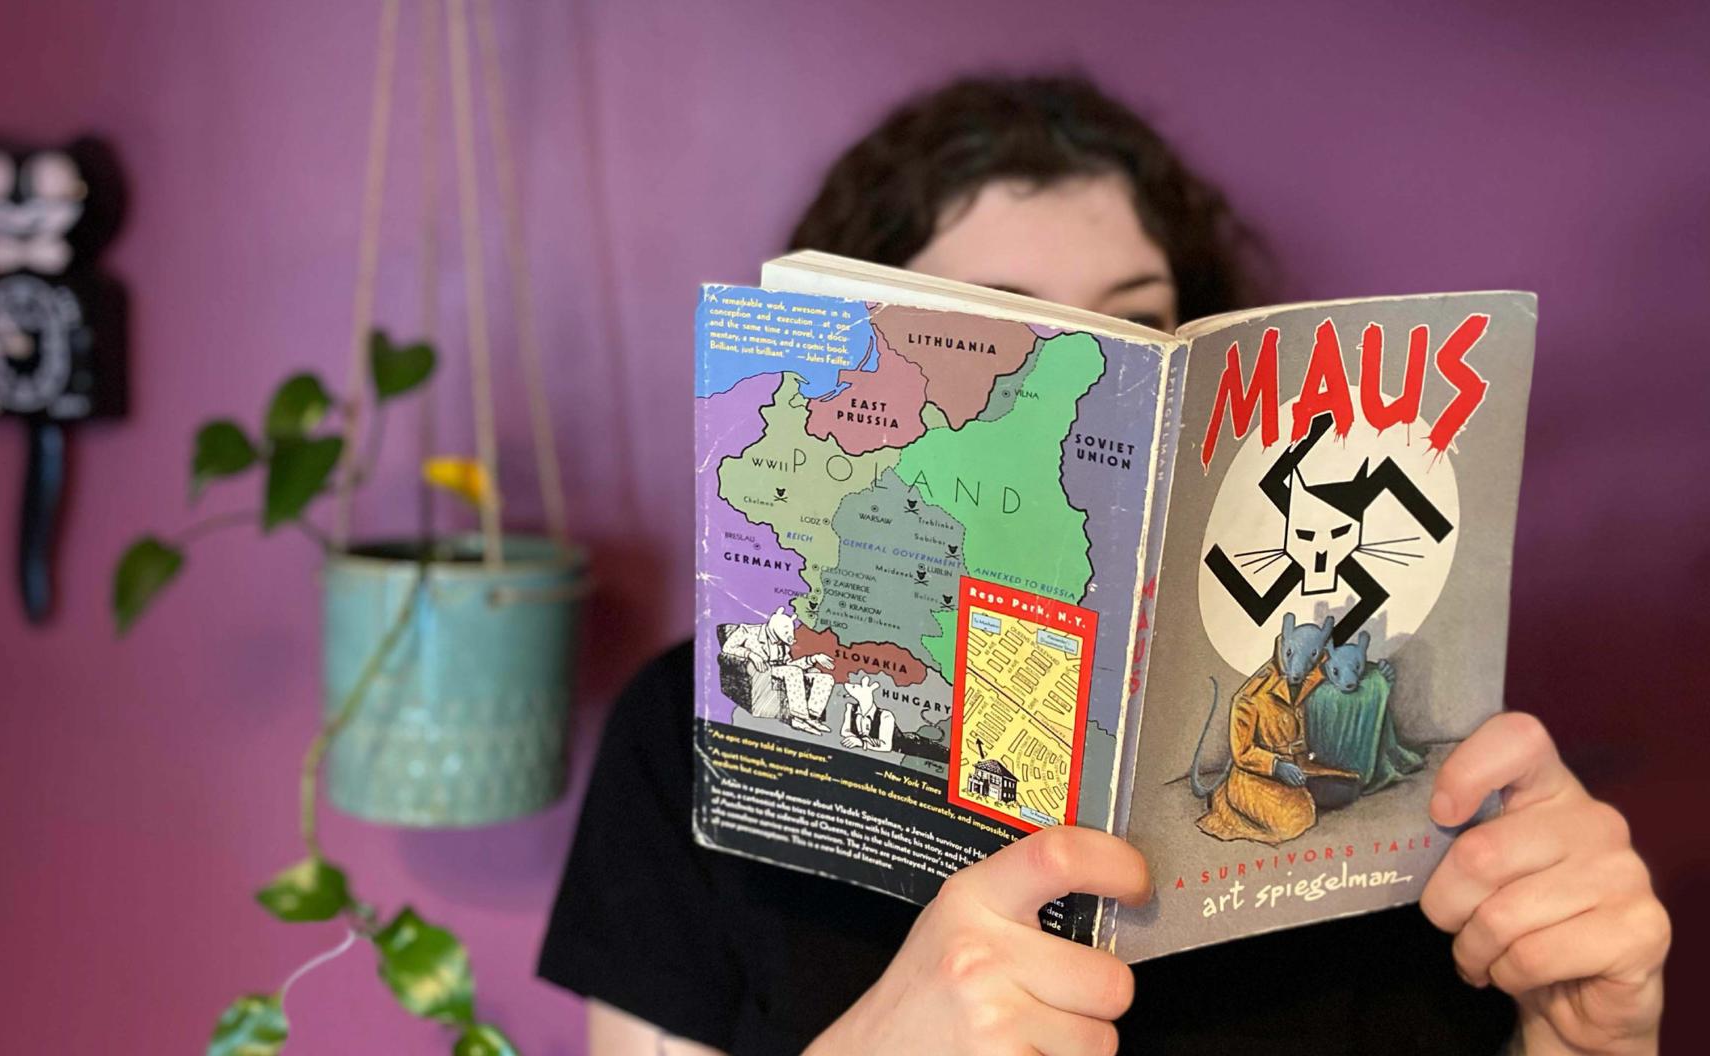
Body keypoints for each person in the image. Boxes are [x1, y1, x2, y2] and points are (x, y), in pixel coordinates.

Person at [538, 76, 1669, 1055]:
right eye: (1000, 337)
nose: (1078, 407)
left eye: (1143, 328)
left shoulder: (1357, 730)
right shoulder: (686, 740)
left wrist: (1588, 1039)